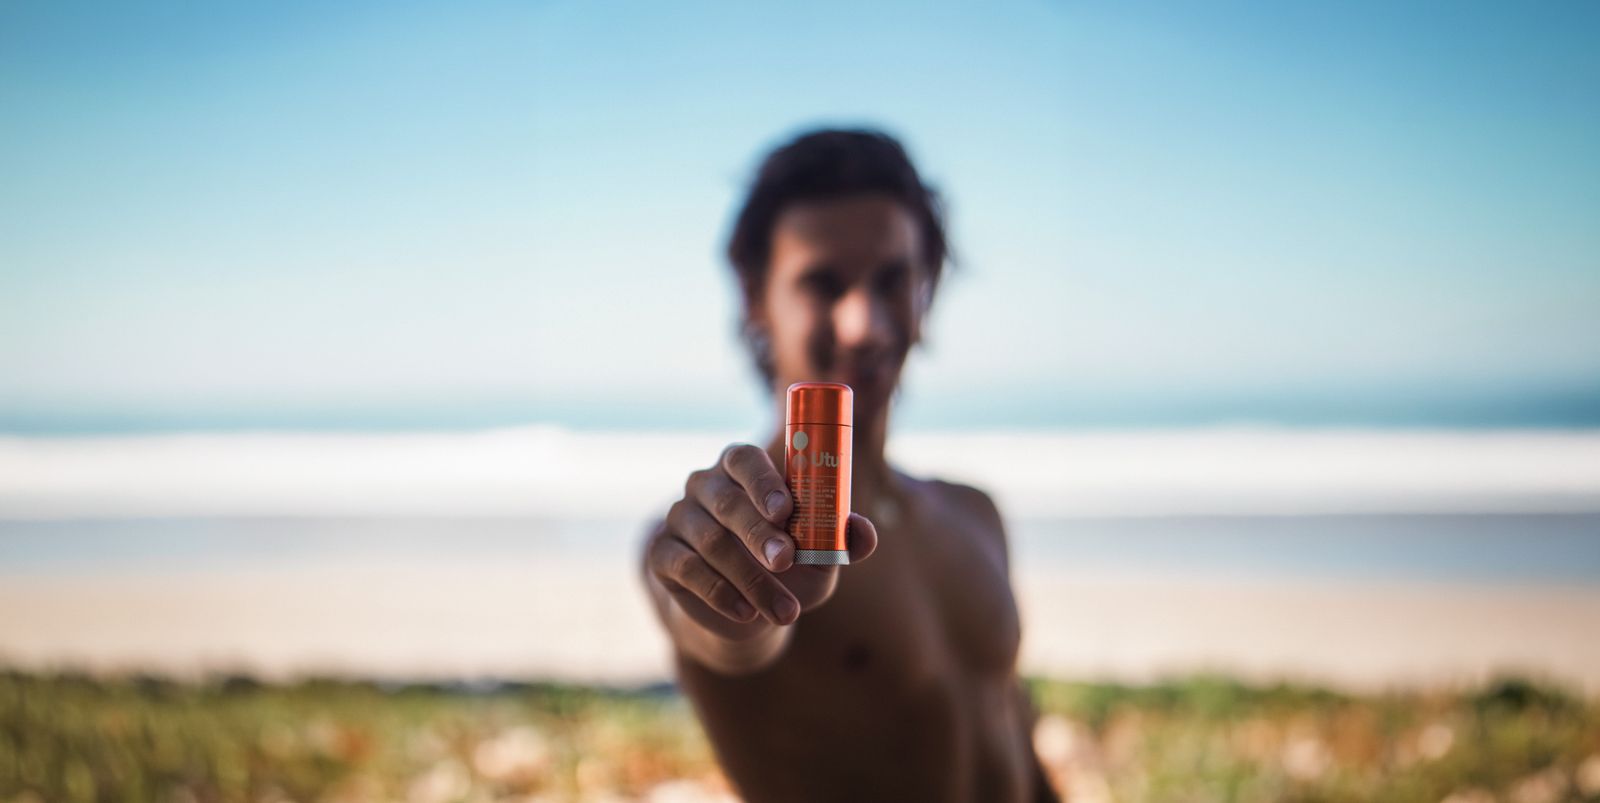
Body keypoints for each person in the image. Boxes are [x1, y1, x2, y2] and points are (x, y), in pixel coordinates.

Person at [638, 127, 1060, 802]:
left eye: (894, 279)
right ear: (755, 298)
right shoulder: (730, 531)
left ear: (929, 290)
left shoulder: (974, 512)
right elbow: (713, 627)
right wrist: (730, 597)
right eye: (822, 283)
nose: (864, 322)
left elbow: (1010, 729)